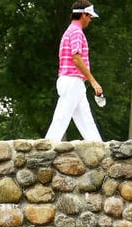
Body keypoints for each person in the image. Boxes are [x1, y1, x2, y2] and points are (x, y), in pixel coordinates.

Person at [44, 0, 104, 142]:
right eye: (89, 16)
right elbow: (76, 58)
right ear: (83, 15)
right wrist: (93, 82)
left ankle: (98, 147)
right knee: (61, 119)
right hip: (72, 81)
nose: (90, 20)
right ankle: (44, 150)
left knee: (86, 121)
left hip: (71, 81)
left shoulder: (70, 31)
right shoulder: (77, 32)